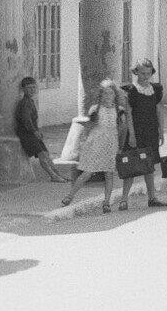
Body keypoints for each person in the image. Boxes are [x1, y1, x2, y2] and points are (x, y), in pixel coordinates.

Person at [50, 82, 122, 218]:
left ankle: (106, 202)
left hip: (110, 145)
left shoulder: (118, 110)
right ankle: (70, 196)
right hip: (95, 144)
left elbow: (120, 128)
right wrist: (84, 142)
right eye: (105, 93)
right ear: (101, 95)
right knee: (87, 172)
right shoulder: (95, 109)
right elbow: (89, 126)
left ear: (114, 95)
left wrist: (120, 146)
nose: (108, 96)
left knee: (109, 174)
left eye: (111, 93)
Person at [121, 62, 167, 213]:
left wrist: (161, 130)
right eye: (142, 73)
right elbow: (128, 114)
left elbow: (159, 110)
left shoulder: (155, 89)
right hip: (136, 132)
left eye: (148, 73)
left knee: (149, 165)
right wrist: (132, 135)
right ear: (136, 72)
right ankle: (123, 200)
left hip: (151, 132)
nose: (146, 76)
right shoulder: (131, 90)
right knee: (131, 166)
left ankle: (152, 198)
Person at [14, 75, 55, 181]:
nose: (32, 90)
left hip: (33, 132)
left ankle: (58, 174)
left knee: (46, 154)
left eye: (34, 87)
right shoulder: (25, 103)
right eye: (29, 88)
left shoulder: (30, 101)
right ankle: (53, 176)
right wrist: (35, 132)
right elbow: (26, 120)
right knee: (42, 155)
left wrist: (37, 131)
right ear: (23, 89)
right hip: (27, 133)